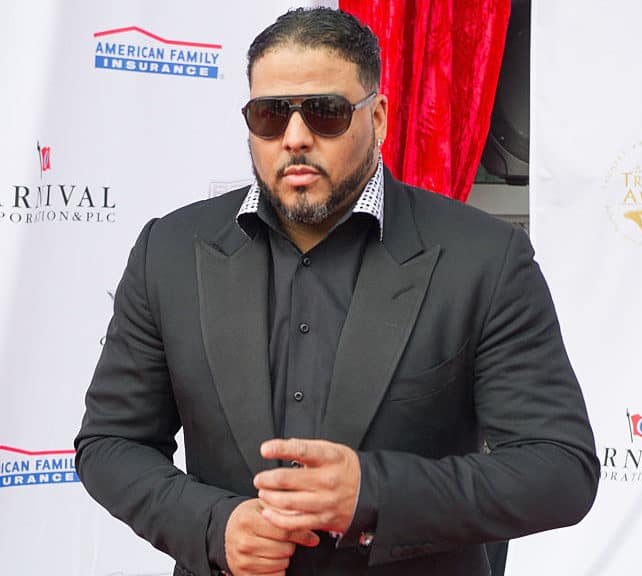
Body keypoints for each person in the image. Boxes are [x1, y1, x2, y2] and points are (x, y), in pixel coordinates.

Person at [75, 7, 599, 576]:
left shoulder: (484, 259)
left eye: (325, 114)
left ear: (377, 118)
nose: (295, 138)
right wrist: (213, 527)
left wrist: (373, 493)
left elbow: (559, 469)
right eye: (271, 116)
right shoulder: (169, 251)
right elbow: (111, 442)